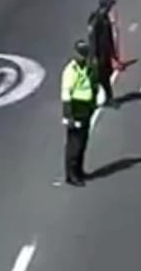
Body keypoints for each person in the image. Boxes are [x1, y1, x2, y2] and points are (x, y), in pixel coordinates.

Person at [61, 40, 98, 186]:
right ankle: (71, 175)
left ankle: (79, 170)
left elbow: (92, 84)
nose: (85, 58)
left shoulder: (87, 67)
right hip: (75, 108)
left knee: (82, 142)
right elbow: (66, 93)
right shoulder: (71, 70)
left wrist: (93, 103)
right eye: (83, 55)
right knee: (74, 144)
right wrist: (68, 115)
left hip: (85, 108)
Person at [87, 0, 119, 105]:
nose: (111, 8)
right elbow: (93, 40)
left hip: (105, 54)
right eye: (109, 5)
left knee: (106, 76)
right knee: (99, 78)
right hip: (98, 55)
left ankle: (108, 99)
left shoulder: (105, 18)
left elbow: (109, 37)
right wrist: (94, 57)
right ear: (104, 6)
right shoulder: (96, 20)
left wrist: (113, 53)